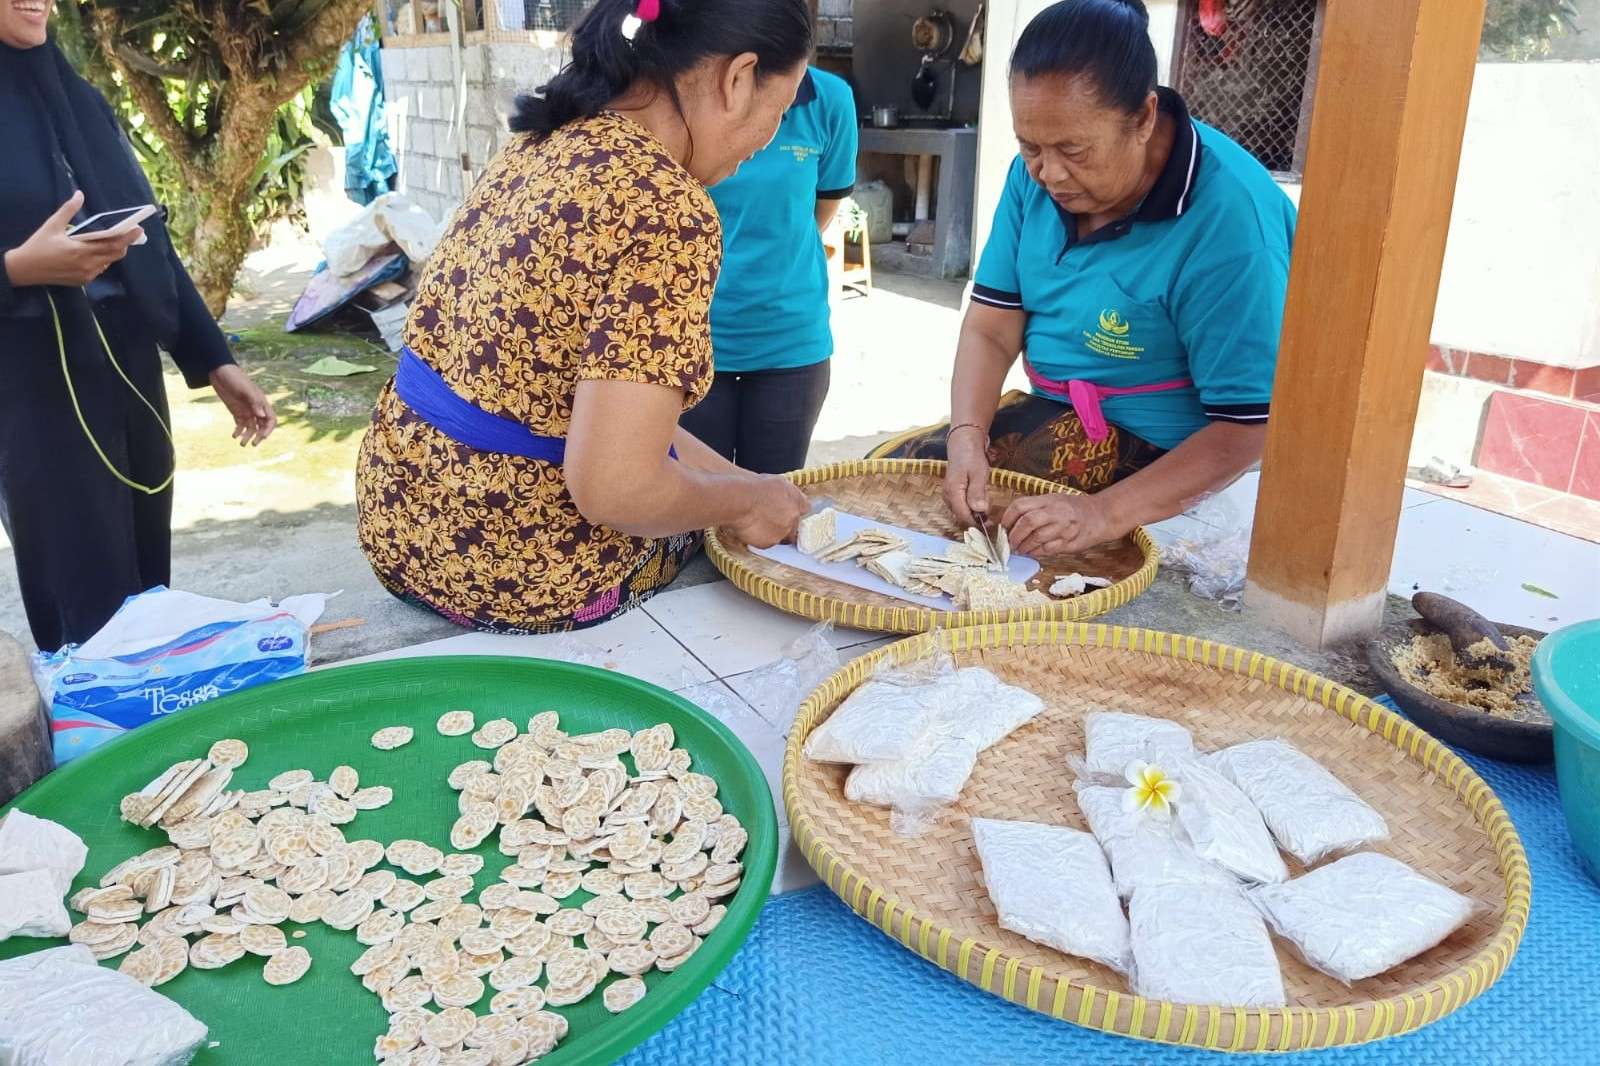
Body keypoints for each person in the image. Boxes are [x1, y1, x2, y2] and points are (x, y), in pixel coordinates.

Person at [356, 0, 813, 633]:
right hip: (515, 568)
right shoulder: (666, 210)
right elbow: (618, 487)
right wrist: (741, 504)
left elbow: (596, 413)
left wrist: (747, 485)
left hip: (402, 527)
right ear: (737, 80)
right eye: (780, 110)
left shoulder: (544, 145)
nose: (768, 141)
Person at [872, 0, 1295, 559]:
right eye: (1030, 147)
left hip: (1165, 445)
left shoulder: (1230, 220)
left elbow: (1246, 428)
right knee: (894, 483)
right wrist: (966, 436)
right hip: (1051, 407)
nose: (1048, 173)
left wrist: (1100, 514)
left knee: (1001, 542)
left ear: (1144, 118)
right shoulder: (1037, 175)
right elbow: (992, 328)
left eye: (1073, 150)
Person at [0, 9, 277, 652]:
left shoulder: (78, 97)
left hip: (127, 373)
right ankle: (101, 742)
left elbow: (145, 238)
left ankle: (155, 734)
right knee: (85, 597)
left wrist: (214, 360)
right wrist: (17, 269)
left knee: (148, 586)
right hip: (32, 390)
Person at [678, 64, 858, 474]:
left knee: (770, 511)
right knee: (696, 509)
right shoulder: (689, 93)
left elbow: (821, 209)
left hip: (791, 346)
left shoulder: (827, 99)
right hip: (696, 342)